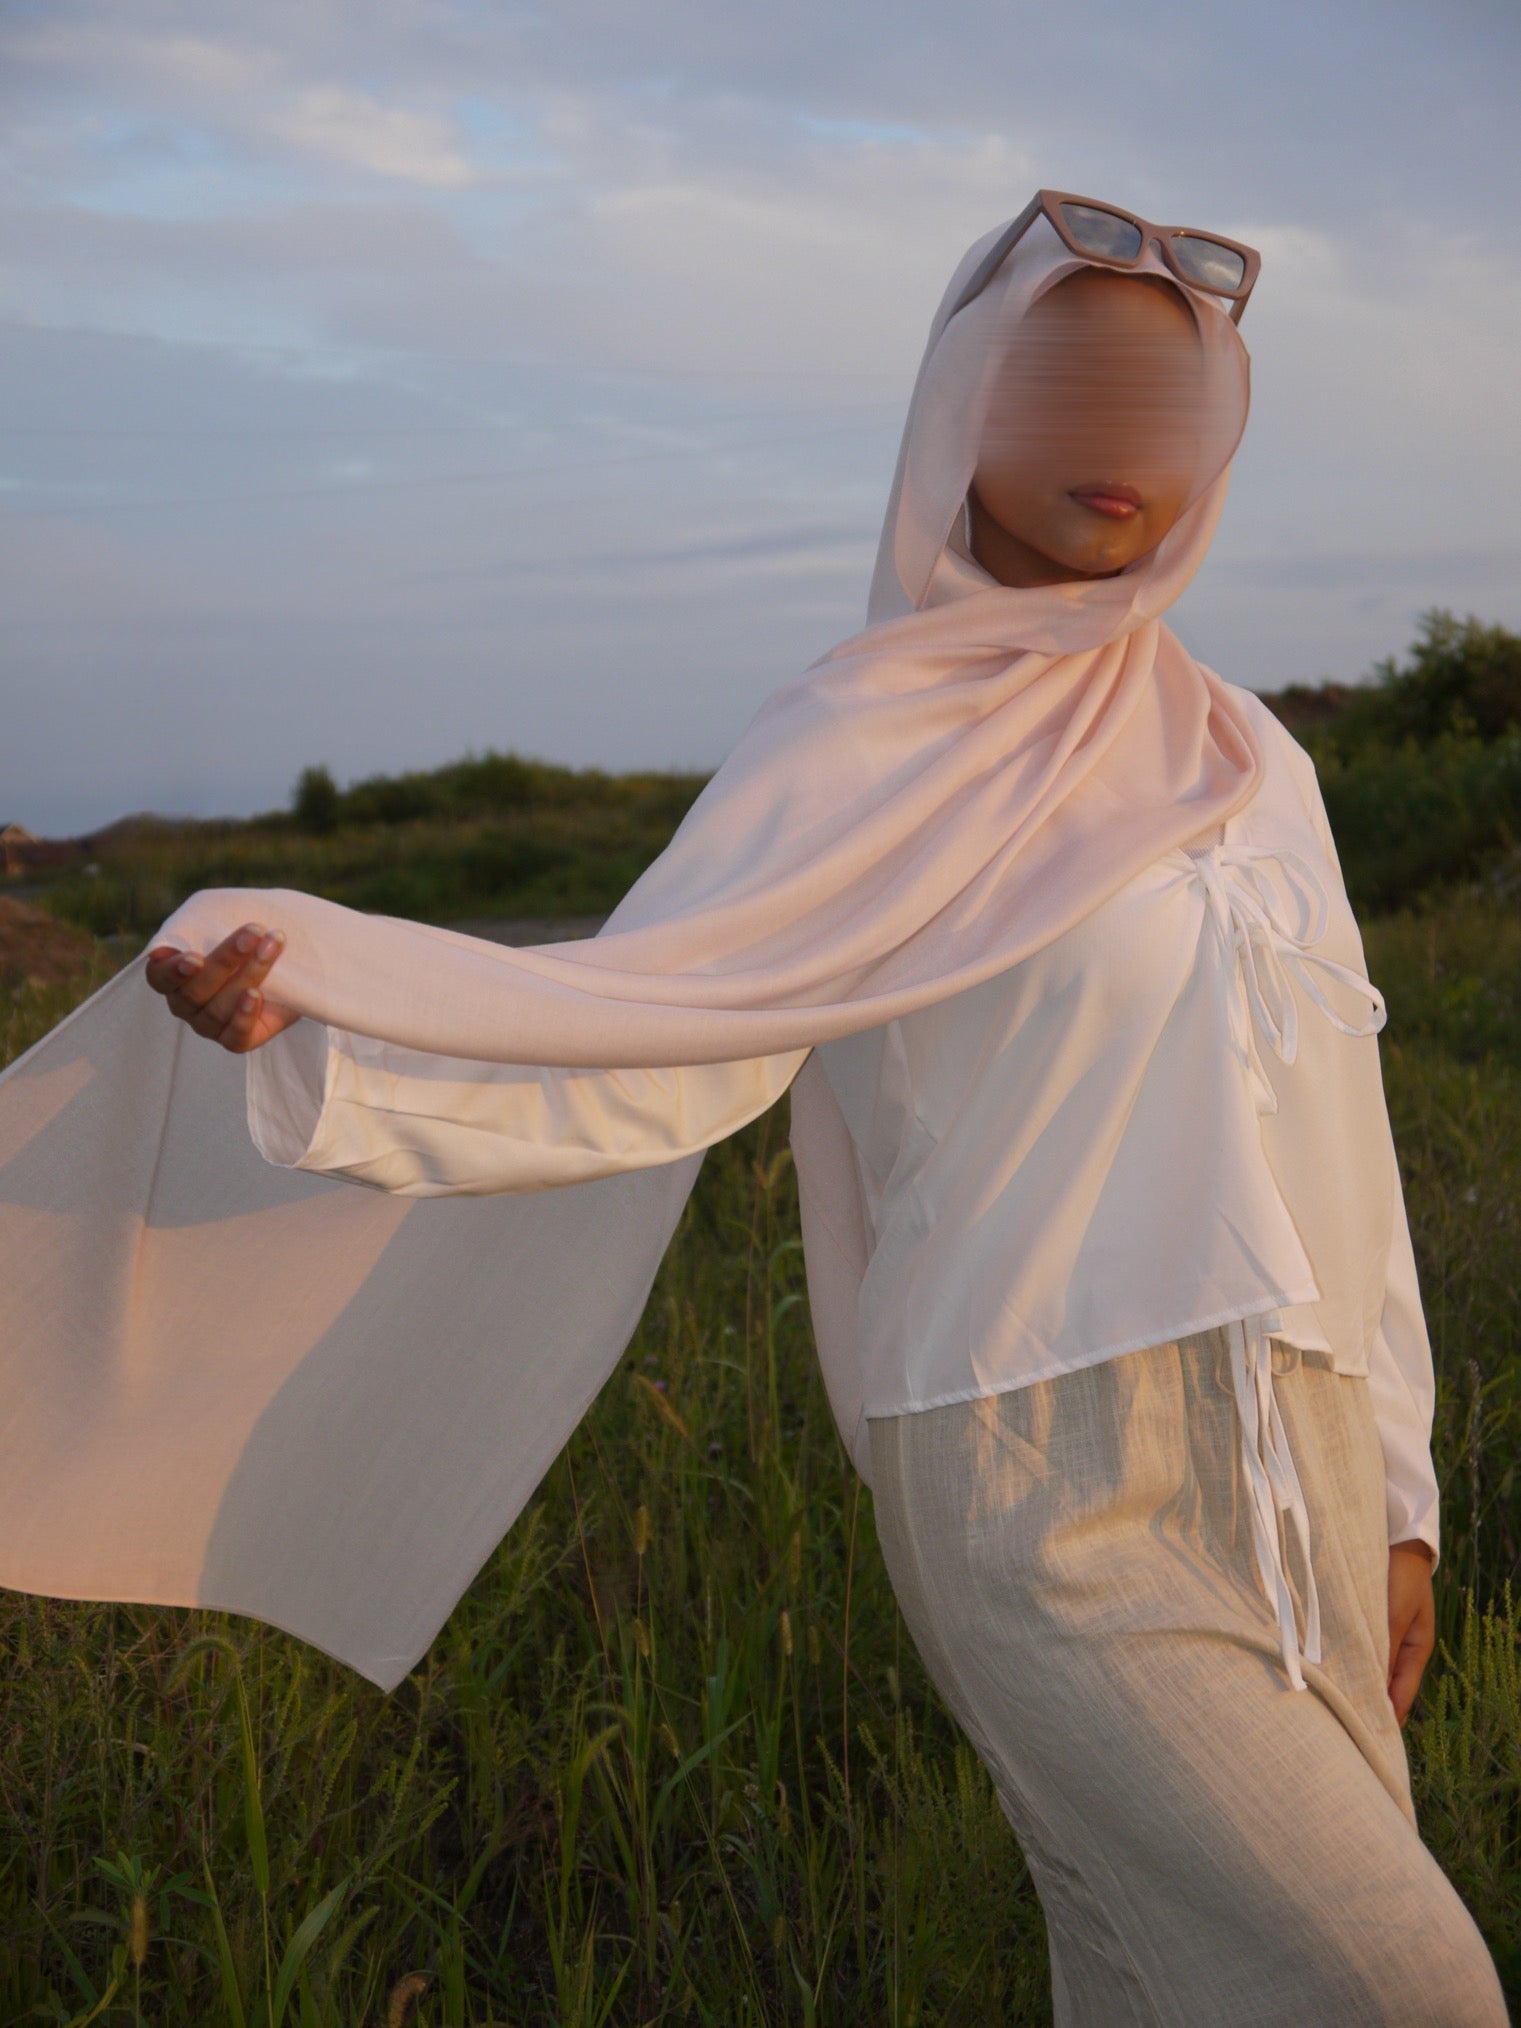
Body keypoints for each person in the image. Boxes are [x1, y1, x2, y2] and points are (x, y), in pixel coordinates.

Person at [6, 193, 1509, 2021]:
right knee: (1402, 1989)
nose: (1118, 440)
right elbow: (641, 1043)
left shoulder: (1247, 753)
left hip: (1305, 1466)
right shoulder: (857, 744)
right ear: (959, 404)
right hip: (1039, 1479)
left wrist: (1400, 1494)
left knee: (1147, 1979)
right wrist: (315, 1019)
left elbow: (1345, 1139)